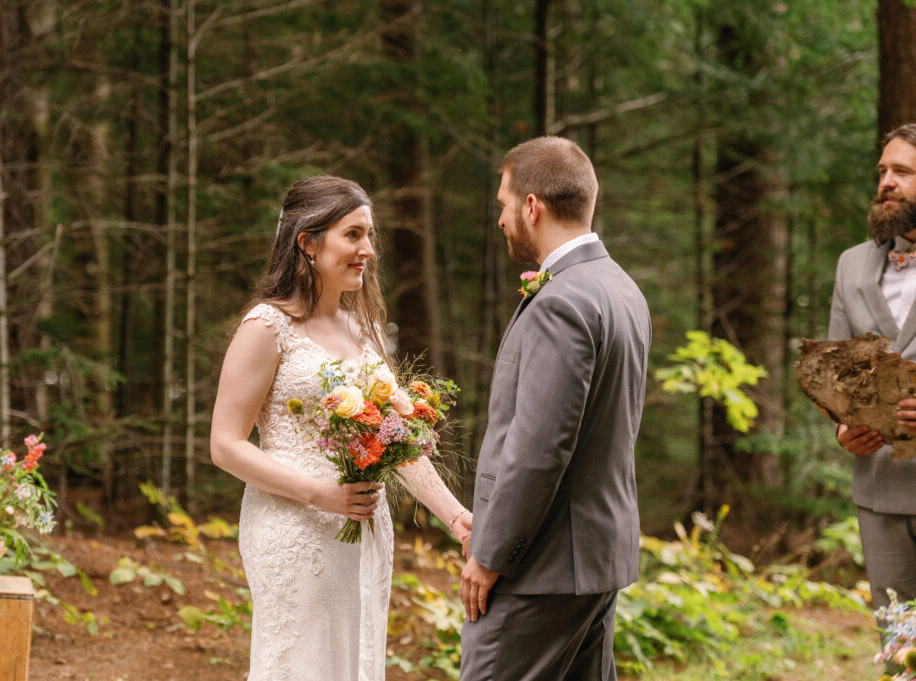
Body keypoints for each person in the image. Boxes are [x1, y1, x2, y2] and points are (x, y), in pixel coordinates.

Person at [209, 175, 473, 681]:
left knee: (353, 662)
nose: (367, 250)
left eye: (369, 236)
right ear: (308, 242)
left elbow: (400, 439)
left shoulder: (363, 329)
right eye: (353, 235)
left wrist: (455, 516)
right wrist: (320, 494)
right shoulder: (266, 327)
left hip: (364, 529)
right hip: (293, 527)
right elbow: (224, 445)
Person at [459, 136, 651, 681]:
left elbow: (539, 450)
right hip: (594, 560)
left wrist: (491, 555)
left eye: (502, 204)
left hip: (542, 568)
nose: (500, 219)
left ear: (532, 206)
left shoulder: (562, 301)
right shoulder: (621, 288)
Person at [830, 122, 916, 616]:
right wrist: (842, 426)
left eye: (902, 171)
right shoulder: (851, 266)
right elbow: (837, 374)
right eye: (883, 170)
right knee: (900, 643)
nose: (886, 181)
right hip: (880, 492)